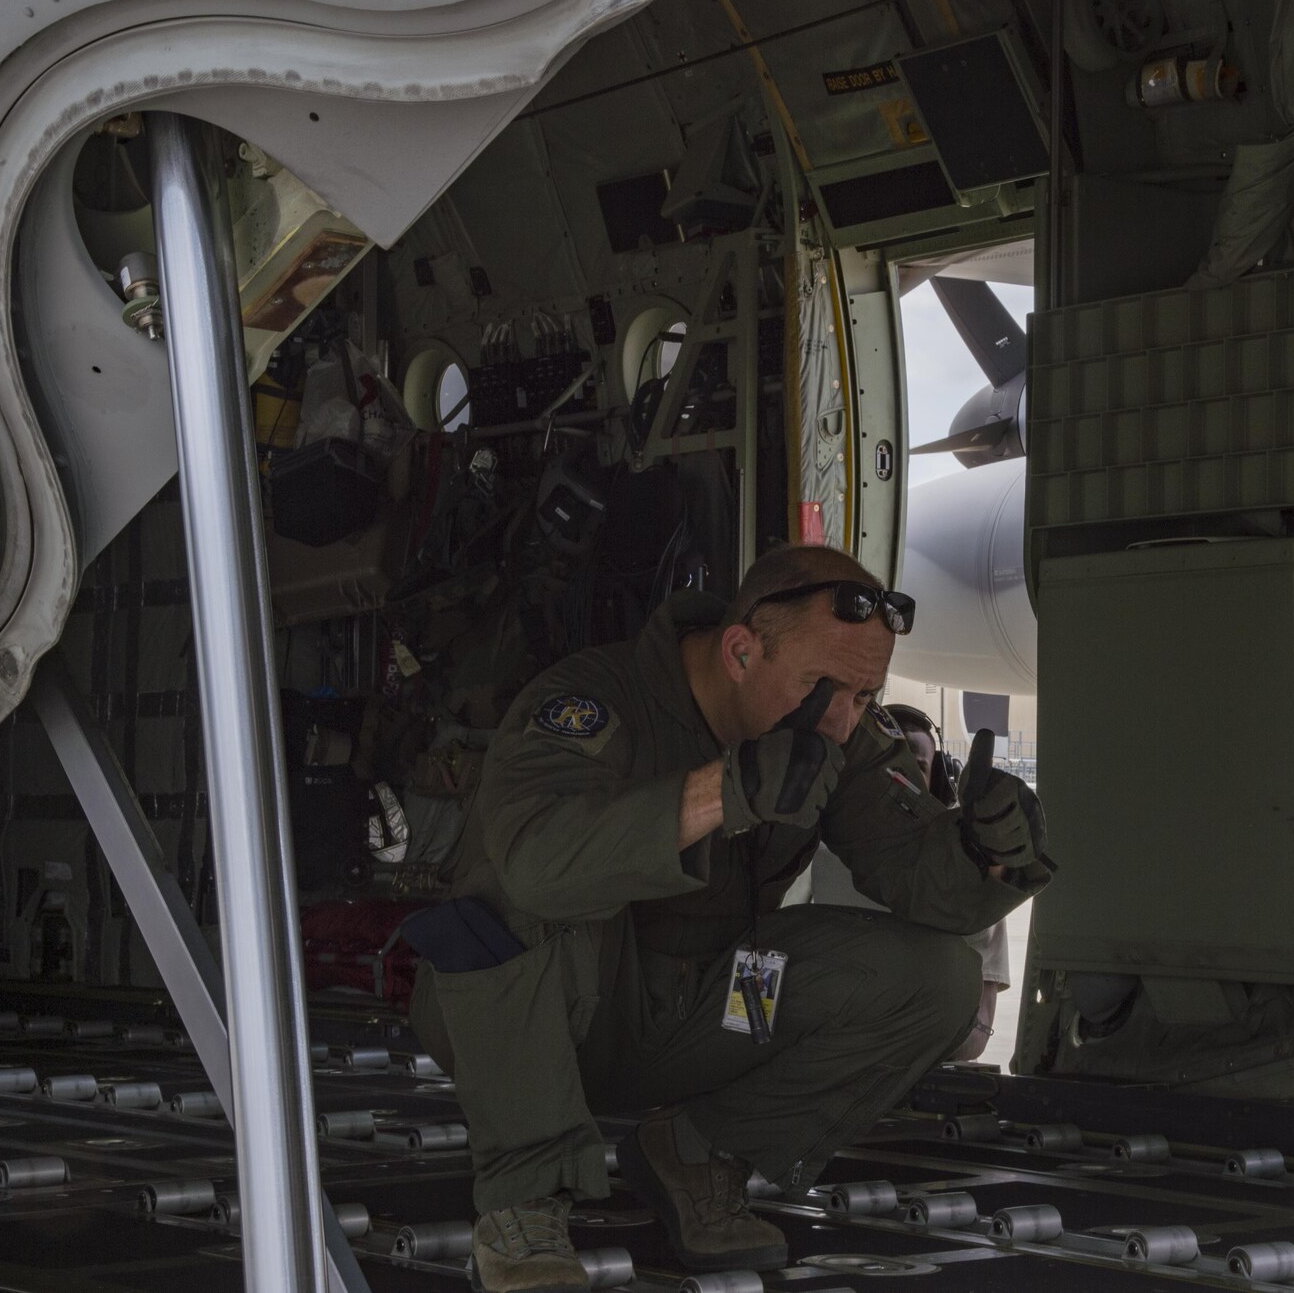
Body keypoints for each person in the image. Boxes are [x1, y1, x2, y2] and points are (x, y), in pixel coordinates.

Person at [409, 544, 1051, 1290]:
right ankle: (522, 1203)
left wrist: (990, 853)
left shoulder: (835, 731)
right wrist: (724, 791)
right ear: (741, 650)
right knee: (519, 890)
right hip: (557, 1024)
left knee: (937, 978)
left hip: (700, 1014)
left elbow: (914, 867)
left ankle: (696, 1155)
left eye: (867, 696)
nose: (845, 721)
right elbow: (535, 863)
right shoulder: (592, 702)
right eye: (825, 687)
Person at [806, 703, 1011, 1060]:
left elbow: (977, 1032)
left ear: (939, 784)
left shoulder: (965, 875)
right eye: (881, 766)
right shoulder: (814, 852)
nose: (891, 780)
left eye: (912, 769)